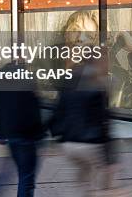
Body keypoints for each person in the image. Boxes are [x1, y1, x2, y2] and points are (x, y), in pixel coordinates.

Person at [49, 60, 114, 197]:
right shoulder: (97, 87)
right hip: (90, 143)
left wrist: (56, 136)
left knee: (84, 175)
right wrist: (110, 156)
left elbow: (56, 113)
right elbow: (103, 120)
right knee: (103, 174)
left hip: (69, 144)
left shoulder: (67, 88)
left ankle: (86, 190)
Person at [0, 62, 44, 197]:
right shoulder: (27, 83)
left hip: (11, 135)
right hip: (27, 136)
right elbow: (34, 110)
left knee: (17, 173)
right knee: (26, 177)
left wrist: (0, 133)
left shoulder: (0, 85)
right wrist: (39, 133)